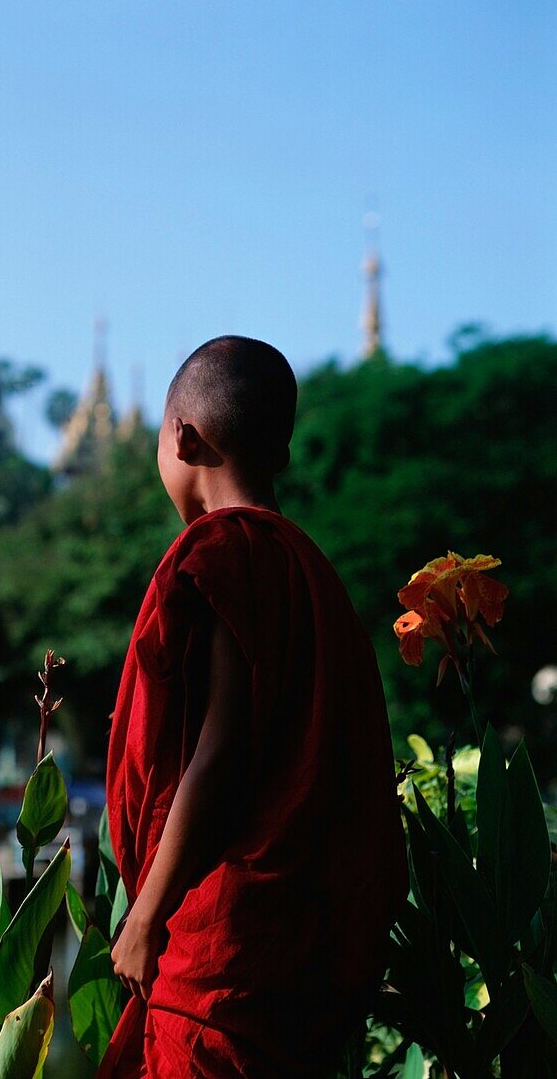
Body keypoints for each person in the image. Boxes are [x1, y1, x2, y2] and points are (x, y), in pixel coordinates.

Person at [99, 336, 408, 1078]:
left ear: (180, 436)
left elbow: (222, 749)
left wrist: (143, 917)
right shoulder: (311, 570)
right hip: (304, 943)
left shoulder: (224, 550)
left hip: (221, 942)